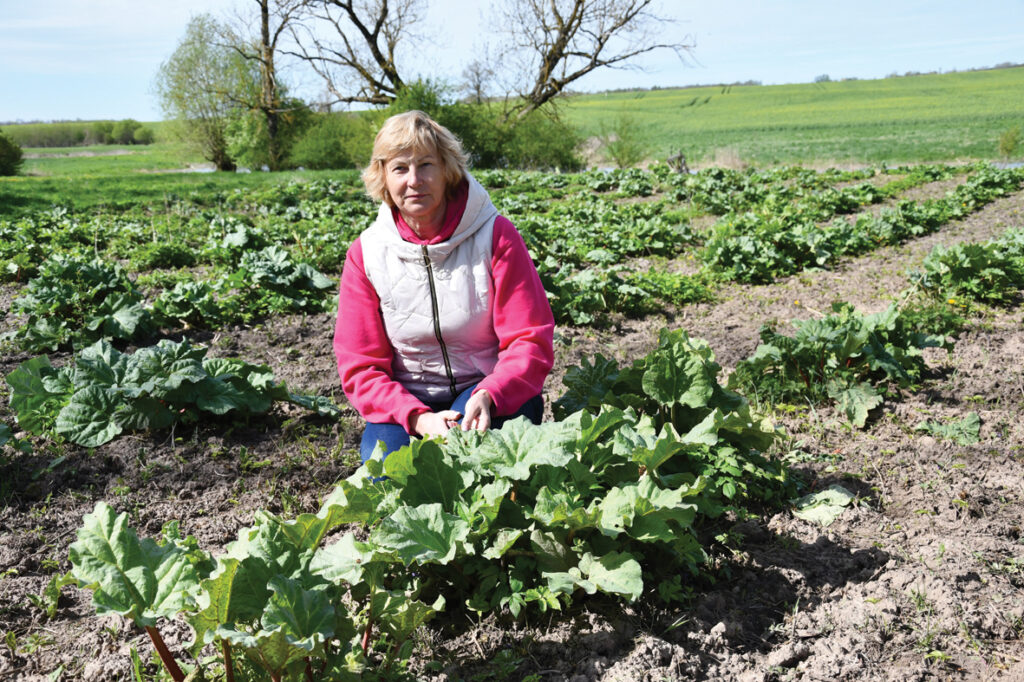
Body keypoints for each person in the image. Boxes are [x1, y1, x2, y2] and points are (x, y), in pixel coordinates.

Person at [333, 110, 555, 462]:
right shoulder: (366, 254)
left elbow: (530, 339)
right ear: (383, 177)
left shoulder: (496, 236)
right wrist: (418, 417)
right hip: (407, 400)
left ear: (448, 170)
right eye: (400, 168)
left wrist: (488, 394)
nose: (414, 180)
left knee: (476, 461)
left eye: (426, 165)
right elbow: (361, 364)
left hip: (487, 389)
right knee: (387, 477)